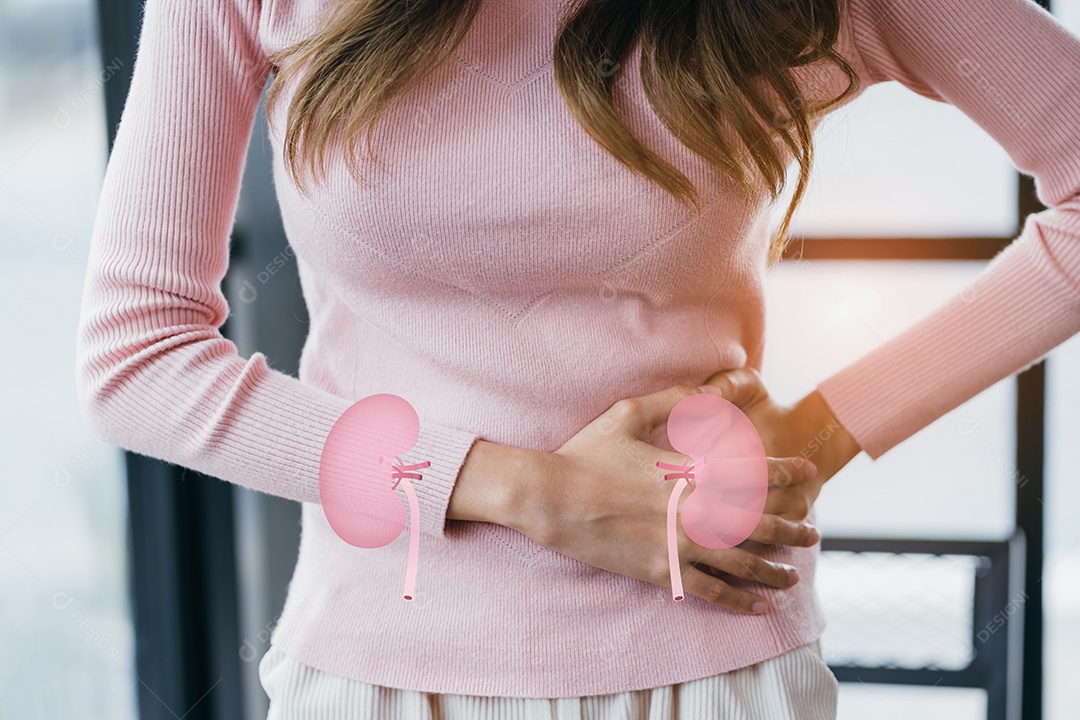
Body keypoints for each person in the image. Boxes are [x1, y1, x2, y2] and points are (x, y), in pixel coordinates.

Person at [74, 0, 1080, 717]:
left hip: (714, 666)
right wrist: (540, 494)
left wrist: (821, 432)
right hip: (378, 676)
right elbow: (138, 358)